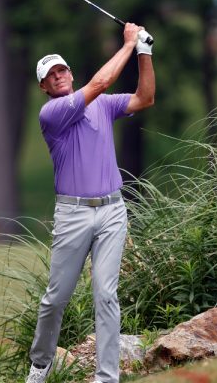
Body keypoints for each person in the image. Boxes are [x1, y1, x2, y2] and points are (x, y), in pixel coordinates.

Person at [25, 22, 155, 383]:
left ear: (70, 71)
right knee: (56, 298)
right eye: (50, 75)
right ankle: (40, 363)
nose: (58, 76)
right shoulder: (52, 114)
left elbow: (145, 98)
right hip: (73, 214)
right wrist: (129, 43)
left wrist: (145, 53)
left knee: (106, 295)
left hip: (113, 210)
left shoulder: (104, 107)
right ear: (44, 86)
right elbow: (99, 83)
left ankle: (107, 377)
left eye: (62, 69)